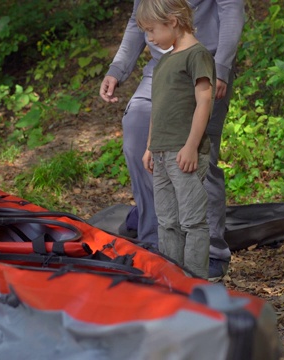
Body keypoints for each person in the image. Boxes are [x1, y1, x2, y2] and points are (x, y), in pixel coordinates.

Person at [99, 0, 244, 279]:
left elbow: (232, 10)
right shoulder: (157, 39)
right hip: (161, 64)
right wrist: (117, 69)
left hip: (204, 61)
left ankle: (211, 253)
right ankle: (156, 239)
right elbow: (137, 18)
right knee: (137, 137)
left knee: (199, 156)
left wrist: (222, 67)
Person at [136, 0, 215, 278]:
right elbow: (157, 109)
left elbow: (204, 101)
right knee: (167, 221)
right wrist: (149, 147)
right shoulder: (164, 62)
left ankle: (195, 283)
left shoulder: (197, 55)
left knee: (192, 221)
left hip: (184, 154)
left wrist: (191, 146)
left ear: (172, 21)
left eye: (152, 30)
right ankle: (172, 280)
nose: (149, 38)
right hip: (160, 154)